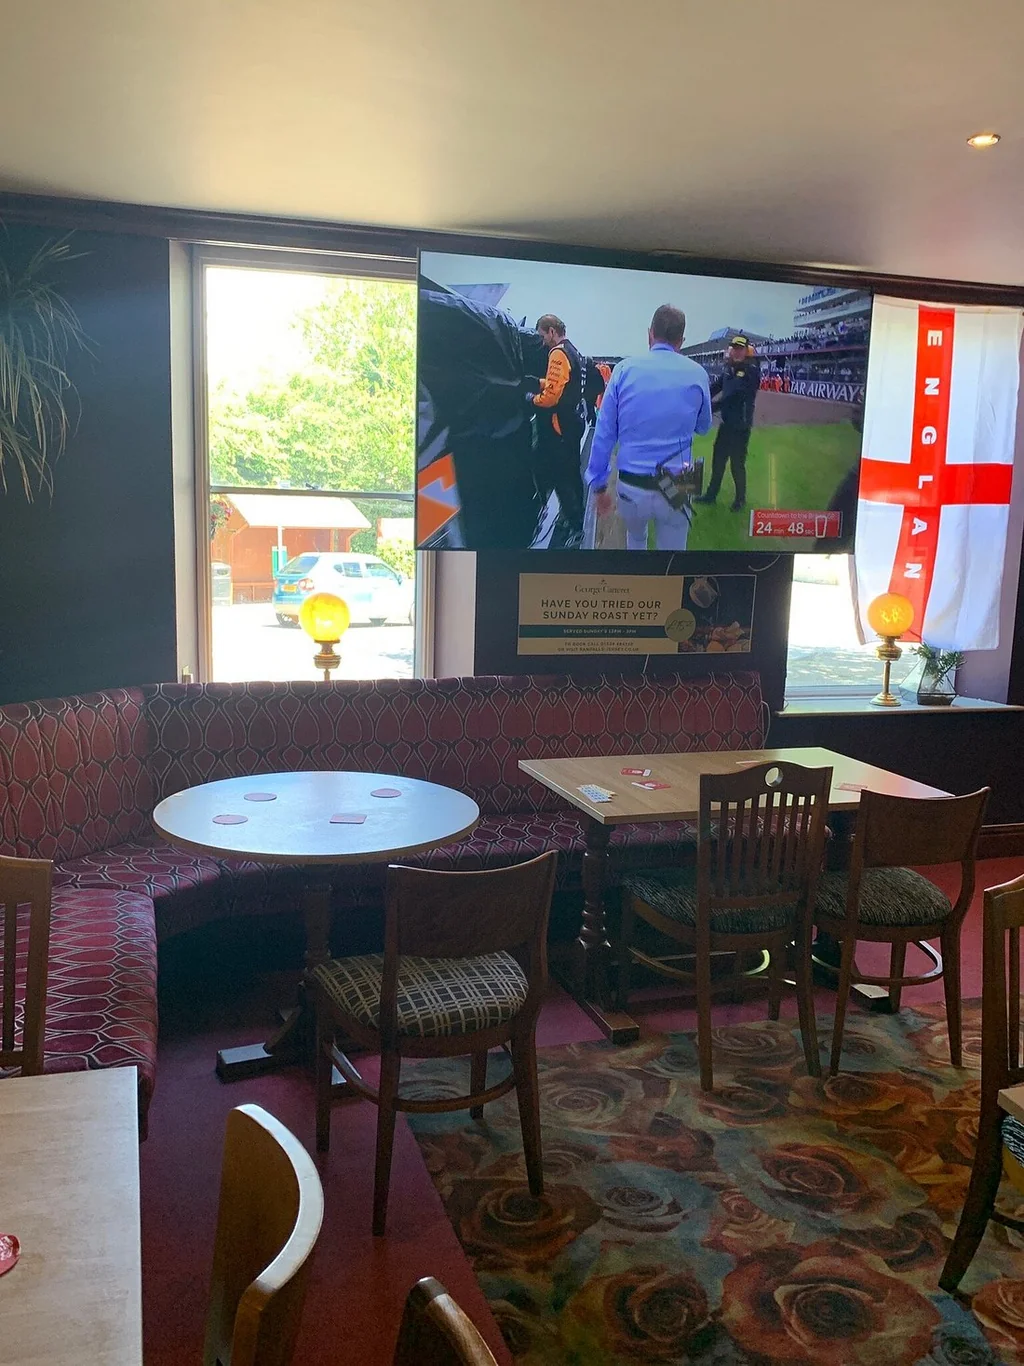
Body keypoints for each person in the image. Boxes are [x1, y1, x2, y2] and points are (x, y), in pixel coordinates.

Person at [585, 304, 711, 550]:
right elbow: (704, 427)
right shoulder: (698, 373)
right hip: (679, 481)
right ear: (681, 341)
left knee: (636, 540)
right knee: (673, 557)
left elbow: (604, 433)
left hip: (633, 484)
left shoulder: (623, 370)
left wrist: (599, 485)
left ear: (650, 333)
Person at [527, 314, 587, 546]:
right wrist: (540, 381)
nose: (542, 342)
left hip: (561, 425)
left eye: (543, 336)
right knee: (573, 473)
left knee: (561, 477)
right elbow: (564, 383)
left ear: (552, 331)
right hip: (574, 421)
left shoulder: (557, 353)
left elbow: (551, 397)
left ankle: (575, 526)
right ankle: (576, 517)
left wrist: (532, 398)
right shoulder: (574, 351)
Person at [695, 334, 761, 513]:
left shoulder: (751, 370)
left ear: (746, 350)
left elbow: (731, 395)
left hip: (741, 426)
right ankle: (711, 495)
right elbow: (716, 387)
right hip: (726, 424)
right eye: (734, 348)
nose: (737, 351)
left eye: (740, 348)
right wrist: (700, 397)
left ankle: (740, 500)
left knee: (737, 464)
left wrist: (708, 408)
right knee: (718, 461)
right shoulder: (728, 368)